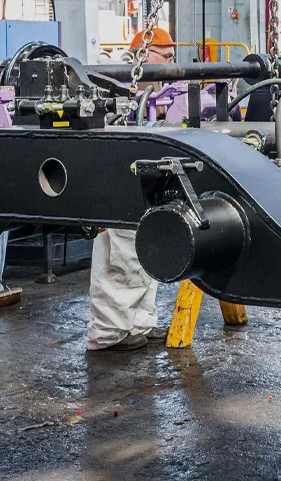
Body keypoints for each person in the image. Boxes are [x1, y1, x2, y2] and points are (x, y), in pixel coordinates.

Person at [86, 29, 176, 351]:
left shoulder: (158, 95)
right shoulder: (120, 90)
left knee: (145, 253)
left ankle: (140, 324)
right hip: (120, 184)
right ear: (142, 55)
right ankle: (110, 334)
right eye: (165, 57)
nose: (171, 65)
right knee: (121, 256)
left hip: (145, 183)